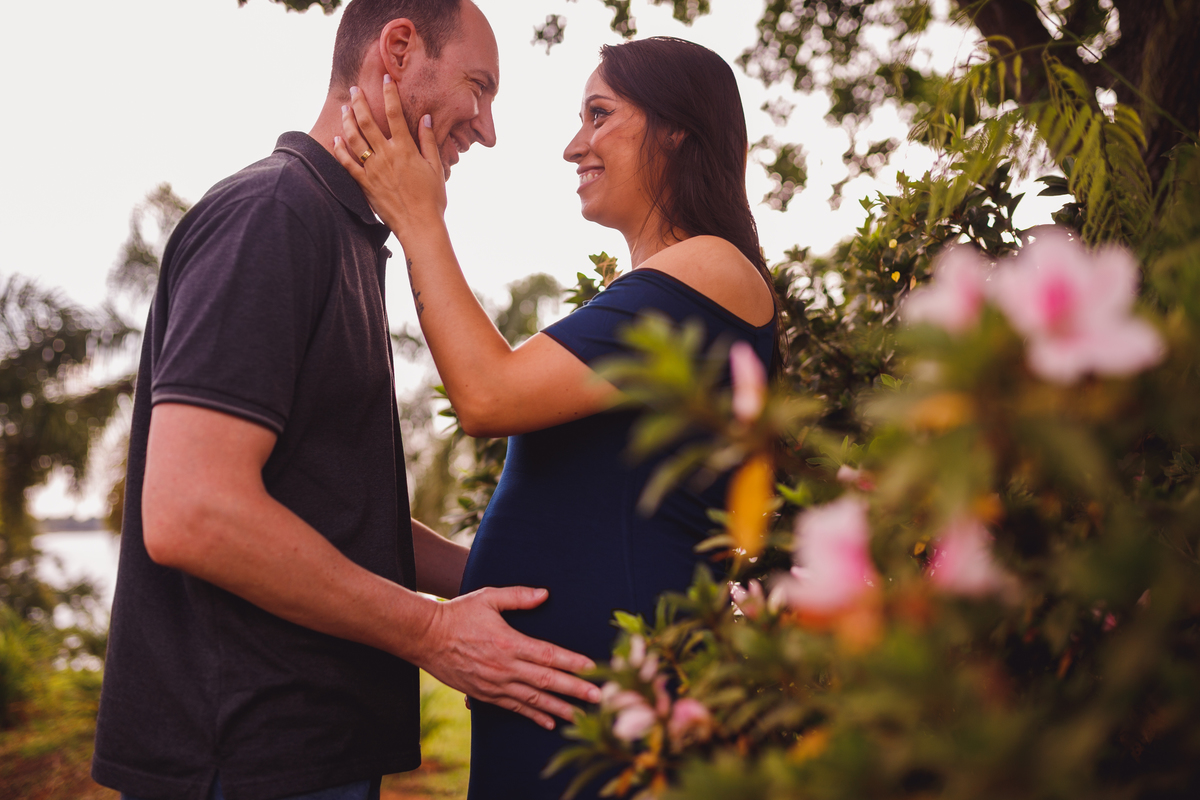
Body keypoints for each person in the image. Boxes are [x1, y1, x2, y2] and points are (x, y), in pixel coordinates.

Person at [91, 3, 602, 800]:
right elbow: (193, 509)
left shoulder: (345, 235)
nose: (488, 128)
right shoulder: (273, 215)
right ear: (399, 49)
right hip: (242, 761)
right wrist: (433, 632)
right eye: (479, 87)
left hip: (313, 754)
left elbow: (323, 506)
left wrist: (488, 577)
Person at [334, 35, 783, 799]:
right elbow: (593, 525)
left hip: (618, 716)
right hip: (568, 701)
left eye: (599, 115)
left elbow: (487, 395)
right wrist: (386, 543)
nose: (575, 144)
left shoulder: (707, 268)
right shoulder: (657, 285)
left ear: (677, 130)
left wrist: (418, 216)